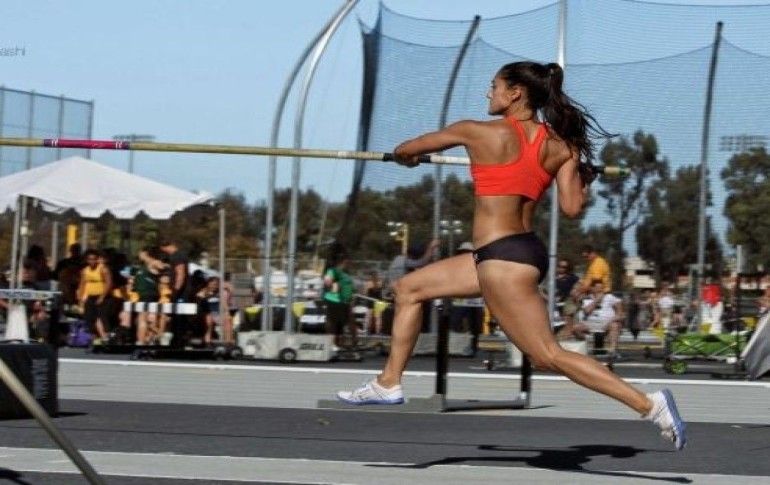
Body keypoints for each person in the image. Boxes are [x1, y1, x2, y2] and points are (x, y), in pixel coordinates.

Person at [336, 61, 686, 450]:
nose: (489, 93)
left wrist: (408, 159)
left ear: (515, 92)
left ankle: (649, 404)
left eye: (494, 86)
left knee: (547, 355)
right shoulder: (563, 146)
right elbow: (572, 208)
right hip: (514, 252)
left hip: (502, 261)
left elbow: (405, 149)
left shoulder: (475, 131)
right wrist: (582, 179)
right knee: (409, 288)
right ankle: (388, 382)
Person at [575, 279, 623, 356]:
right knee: (576, 328)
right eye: (597, 288)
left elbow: (620, 312)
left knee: (614, 325)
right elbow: (587, 311)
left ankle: (612, 350)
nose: (600, 290)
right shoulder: (587, 298)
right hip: (589, 325)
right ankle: (584, 348)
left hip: (606, 325)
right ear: (592, 288)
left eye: (601, 288)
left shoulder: (609, 297)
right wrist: (597, 300)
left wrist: (611, 321)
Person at [77, 249, 112, 343]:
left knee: (101, 316)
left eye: (94, 259)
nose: (92, 261)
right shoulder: (85, 271)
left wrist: (102, 297)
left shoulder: (103, 269)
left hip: (102, 296)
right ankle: (95, 337)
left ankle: (105, 336)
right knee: (89, 317)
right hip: (90, 296)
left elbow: (108, 283)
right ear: (87, 260)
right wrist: (80, 299)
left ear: (97, 259)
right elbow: (82, 284)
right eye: (89, 259)